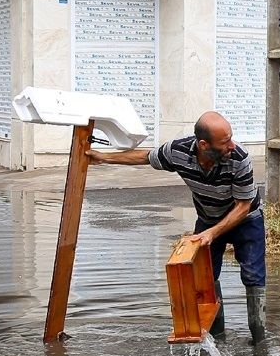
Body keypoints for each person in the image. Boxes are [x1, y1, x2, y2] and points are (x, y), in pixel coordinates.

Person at [87, 111, 266, 344]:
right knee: (206, 279)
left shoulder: (239, 157)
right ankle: (218, 341)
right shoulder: (178, 152)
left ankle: (260, 342)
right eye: (224, 142)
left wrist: (212, 233)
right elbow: (145, 157)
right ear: (203, 145)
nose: (231, 145)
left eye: (231, 138)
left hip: (245, 219)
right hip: (208, 219)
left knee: (253, 276)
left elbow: (243, 206)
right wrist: (104, 158)